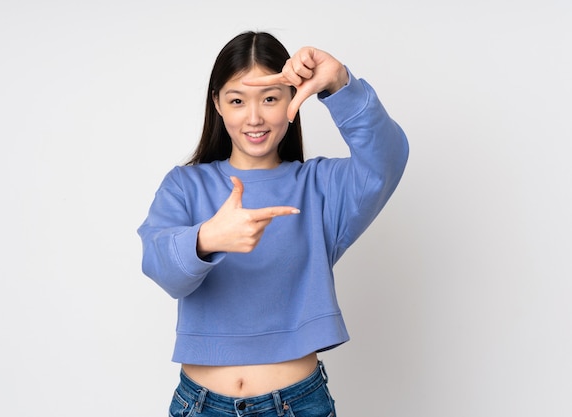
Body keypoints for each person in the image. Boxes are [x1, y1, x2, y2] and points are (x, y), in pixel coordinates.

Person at [137, 31, 409, 417]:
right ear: (217, 104)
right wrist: (209, 237)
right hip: (199, 405)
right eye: (236, 100)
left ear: (292, 99)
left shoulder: (321, 187)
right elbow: (159, 265)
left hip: (297, 404)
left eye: (269, 98)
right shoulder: (185, 184)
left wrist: (339, 83)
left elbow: (387, 159)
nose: (254, 117)